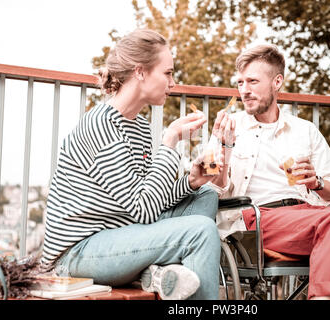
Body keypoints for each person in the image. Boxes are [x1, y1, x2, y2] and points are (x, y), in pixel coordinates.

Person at [39, 29, 224, 300]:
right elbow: (144, 210)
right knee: (201, 231)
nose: (172, 82)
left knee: (205, 196)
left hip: (121, 233)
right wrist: (170, 141)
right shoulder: (101, 124)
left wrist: (190, 181)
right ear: (140, 72)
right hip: (77, 253)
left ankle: (158, 274)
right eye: (168, 73)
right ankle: (163, 276)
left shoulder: (139, 127)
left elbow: (149, 197)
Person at [210, 44, 330, 300]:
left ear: (276, 82)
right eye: (240, 82)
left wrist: (316, 182)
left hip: (309, 215)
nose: (245, 90)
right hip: (257, 220)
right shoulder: (229, 127)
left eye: (253, 81)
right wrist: (224, 148)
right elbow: (212, 189)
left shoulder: (304, 130)